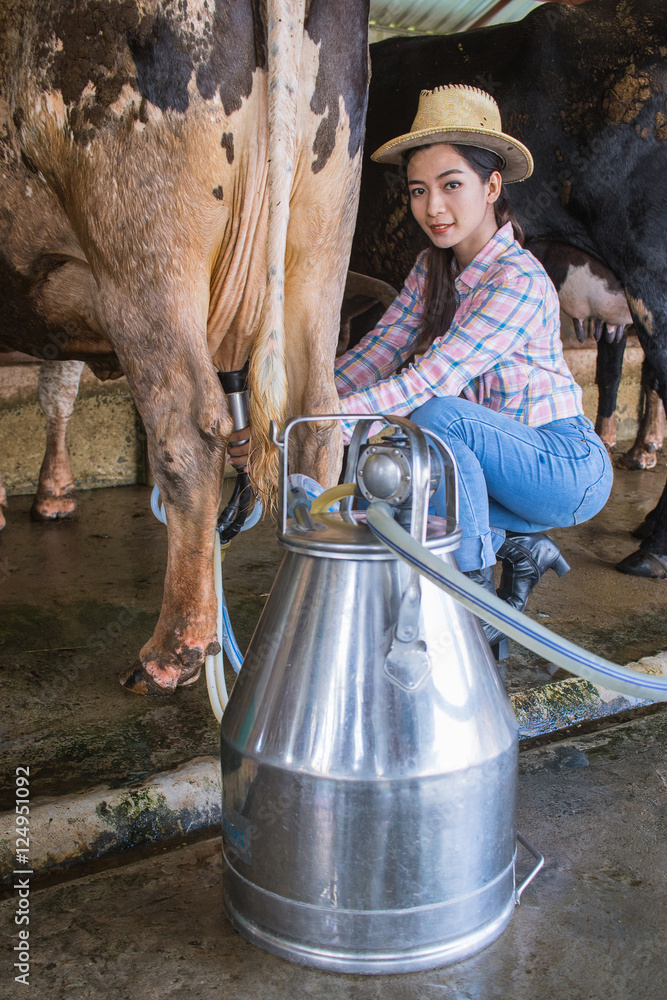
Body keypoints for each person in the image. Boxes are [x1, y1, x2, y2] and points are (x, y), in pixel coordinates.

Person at [335, 84, 613, 655]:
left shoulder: (519, 278)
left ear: (491, 187)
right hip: (495, 468)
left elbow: (433, 380)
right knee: (389, 478)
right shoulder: (430, 268)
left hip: (565, 466)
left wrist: (329, 419)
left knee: (436, 416)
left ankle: (472, 607)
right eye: (419, 190)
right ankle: (517, 550)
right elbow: (377, 352)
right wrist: (300, 405)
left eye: (451, 185)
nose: (433, 207)